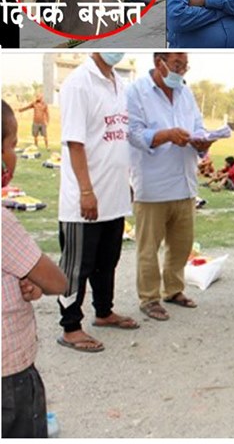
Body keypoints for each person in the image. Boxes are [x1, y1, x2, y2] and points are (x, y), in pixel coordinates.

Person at [57, 52, 140, 353]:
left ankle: (104, 312)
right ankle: (70, 327)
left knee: (107, 262)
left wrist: (126, 183)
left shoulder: (119, 83)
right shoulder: (79, 84)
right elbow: (75, 142)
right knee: (76, 266)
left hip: (114, 194)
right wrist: (86, 191)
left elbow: (117, 138)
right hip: (85, 199)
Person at [126, 52, 210, 322]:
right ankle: (149, 298)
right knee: (148, 248)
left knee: (181, 244)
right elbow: (134, 134)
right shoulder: (136, 92)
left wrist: (202, 141)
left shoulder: (185, 92)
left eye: (185, 66)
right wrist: (166, 135)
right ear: (158, 62)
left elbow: (198, 125)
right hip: (153, 185)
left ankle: (173, 289)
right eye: (177, 65)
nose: (181, 71)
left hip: (185, 184)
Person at [2, 100, 68, 438]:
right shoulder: (2, 223)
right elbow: (57, 281)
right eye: (12, 145)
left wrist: (24, 280)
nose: (13, 154)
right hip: (8, 377)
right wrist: (39, 279)